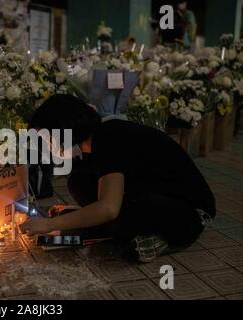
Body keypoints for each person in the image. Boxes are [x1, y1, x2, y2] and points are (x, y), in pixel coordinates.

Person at [20, 94, 216, 263]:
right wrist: (83, 212)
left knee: (122, 219)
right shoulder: (92, 145)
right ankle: (105, 223)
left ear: (63, 129)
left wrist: (48, 225)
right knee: (79, 181)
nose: (47, 146)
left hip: (189, 213)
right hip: (152, 195)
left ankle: (159, 239)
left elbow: (109, 208)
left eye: (47, 139)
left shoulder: (110, 137)